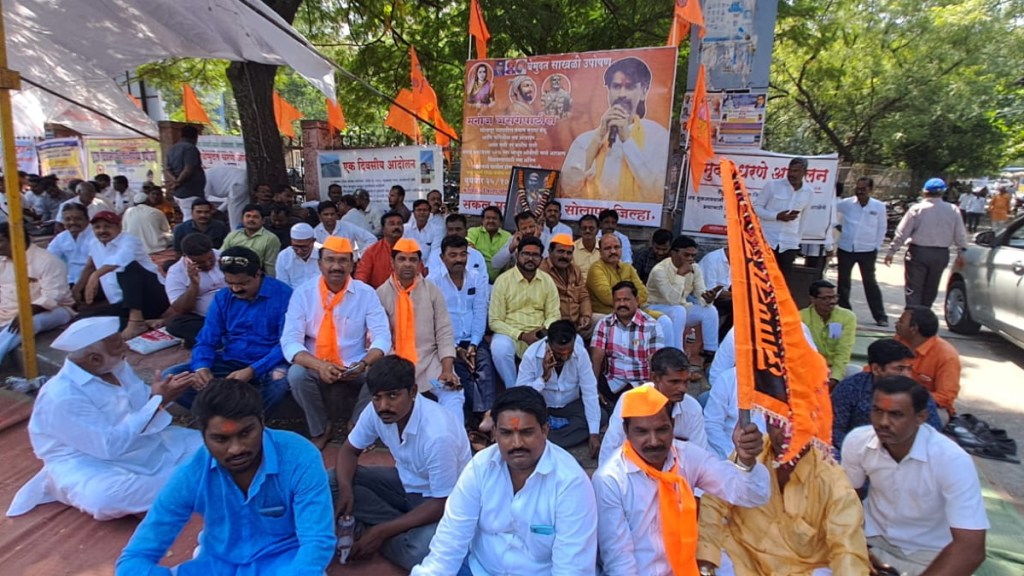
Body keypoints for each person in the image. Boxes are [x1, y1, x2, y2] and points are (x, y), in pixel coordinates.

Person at [116, 378, 335, 575]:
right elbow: (135, 557)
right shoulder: (191, 473)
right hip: (216, 565)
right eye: (221, 439)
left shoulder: (300, 457)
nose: (236, 449)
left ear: (261, 421)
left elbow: (316, 542)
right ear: (203, 435)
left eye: (245, 433)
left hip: (284, 565)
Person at [6, 317, 202, 520]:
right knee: (105, 498)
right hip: (90, 462)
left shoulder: (116, 367)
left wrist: (166, 394)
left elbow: (144, 406)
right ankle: (193, 481)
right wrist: (157, 401)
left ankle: (180, 486)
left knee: (211, 448)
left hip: (144, 444)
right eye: (118, 344)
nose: (126, 345)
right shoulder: (62, 395)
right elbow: (107, 446)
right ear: (94, 359)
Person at [410, 387, 598, 576]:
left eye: (526, 432)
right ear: (494, 433)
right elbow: (451, 539)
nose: (517, 444)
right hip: (478, 569)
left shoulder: (571, 482)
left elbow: (572, 569)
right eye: (507, 433)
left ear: (545, 430)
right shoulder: (480, 468)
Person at [594, 385, 771, 576]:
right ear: (626, 432)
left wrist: (746, 460)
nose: (654, 441)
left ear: (672, 425)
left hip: (691, 566)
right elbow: (619, 560)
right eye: (642, 432)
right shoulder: (610, 480)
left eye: (662, 430)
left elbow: (751, 495)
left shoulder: (686, 456)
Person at [334, 355, 472, 571]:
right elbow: (350, 451)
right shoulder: (375, 412)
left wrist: (381, 532)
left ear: (413, 392)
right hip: (403, 487)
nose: (383, 406)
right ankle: (390, 530)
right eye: (377, 398)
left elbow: (442, 502)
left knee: (419, 551)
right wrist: (345, 491)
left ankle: (376, 532)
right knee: (333, 481)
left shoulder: (438, 434)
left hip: (441, 504)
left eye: (393, 396)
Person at [842, 376, 988, 576]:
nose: (883, 422)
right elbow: (845, 503)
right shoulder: (857, 441)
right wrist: (853, 550)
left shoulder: (952, 460)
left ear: (921, 417)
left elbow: (971, 549)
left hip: (927, 557)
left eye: (896, 414)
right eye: (877, 411)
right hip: (869, 542)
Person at [697, 414, 870, 575]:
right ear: (766, 420)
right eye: (778, 422)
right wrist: (706, 562)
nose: (786, 432)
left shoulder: (833, 481)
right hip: (740, 557)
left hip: (800, 569)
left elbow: (848, 551)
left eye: (795, 423)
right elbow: (714, 501)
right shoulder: (753, 453)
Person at [282, 236, 391, 449]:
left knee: (384, 372)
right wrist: (319, 365)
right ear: (319, 264)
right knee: (296, 374)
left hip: (355, 364)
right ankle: (321, 429)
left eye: (343, 261)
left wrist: (364, 364)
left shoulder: (366, 293)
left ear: (352, 264)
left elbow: (382, 336)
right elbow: (290, 341)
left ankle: (358, 425)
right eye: (330, 260)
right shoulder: (303, 294)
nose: (336, 267)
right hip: (317, 364)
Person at [164, 246, 292, 415]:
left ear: (258, 274)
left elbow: (287, 344)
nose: (236, 289)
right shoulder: (223, 297)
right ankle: (224, 415)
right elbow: (207, 339)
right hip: (231, 359)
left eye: (243, 283)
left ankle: (248, 418)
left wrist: (252, 370)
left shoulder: (284, 295)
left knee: (279, 383)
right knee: (172, 378)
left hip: (269, 362)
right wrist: (202, 368)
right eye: (230, 283)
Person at [561, 57, 670, 203]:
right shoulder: (586, 140)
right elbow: (568, 187)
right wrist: (598, 137)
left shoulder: (657, 136)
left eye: (630, 87)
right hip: (593, 220)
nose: (621, 94)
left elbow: (657, 192)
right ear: (609, 91)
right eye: (616, 86)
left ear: (643, 91)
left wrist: (627, 140)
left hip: (638, 222)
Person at [376, 238, 462, 420]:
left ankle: (455, 439)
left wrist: (447, 369)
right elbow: (380, 337)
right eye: (402, 259)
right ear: (392, 262)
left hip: (431, 363)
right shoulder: (381, 294)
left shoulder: (433, 291)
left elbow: (444, 332)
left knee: (453, 394)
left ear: (419, 264)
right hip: (395, 363)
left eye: (413, 260)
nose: (407, 264)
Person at [599, 347, 709, 466]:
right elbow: (610, 448)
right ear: (655, 378)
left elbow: (699, 457)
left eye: (685, 381)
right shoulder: (630, 400)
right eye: (674, 382)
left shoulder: (692, 408)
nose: (682, 388)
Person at [831, 338, 942, 454]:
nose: (907, 375)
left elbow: (932, 433)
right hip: (855, 453)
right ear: (876, 369)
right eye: (900, 369)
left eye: (909, 369)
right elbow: (835, 431)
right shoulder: (850, 388)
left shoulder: (918, 393)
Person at [427, 234, 496, 416]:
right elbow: (433, 320)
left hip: (473, 339)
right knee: (462, 375)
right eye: (453, 255)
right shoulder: (432, 282)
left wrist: (473, 345)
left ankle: (487, 415)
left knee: (484, 369)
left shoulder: (476, 278)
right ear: (442, 258)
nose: (459, 259)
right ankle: (478, 418)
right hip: (446, 344)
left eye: (463, 254)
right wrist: (456, 348)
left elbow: (480, 312)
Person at [74, 211, 170, 338]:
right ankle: (145, 323)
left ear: (119, 227)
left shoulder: (130, 240)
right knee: (83, 319)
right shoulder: (94, 243)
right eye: (97, 227)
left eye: (107, 226)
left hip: (152, 297)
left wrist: (95, 275)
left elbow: (121, 260)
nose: (102, 230)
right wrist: (76, 290)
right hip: (124, 302)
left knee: (128, 267)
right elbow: (89, 266)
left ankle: (136, 321)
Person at [515, 319, 602, 454]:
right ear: (548, 344)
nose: (565, 356)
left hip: (570, 407)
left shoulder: (580, 353)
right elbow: (520, 397)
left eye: (569, 351)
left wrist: (594, 434)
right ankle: (550, 435)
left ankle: (542, 439)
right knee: (523, 417)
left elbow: (589, 392)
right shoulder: (532, 355)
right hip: (542, 408)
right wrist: (543, 378)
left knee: (601, 416)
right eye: (559, 353)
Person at [489, 236, 561, 388]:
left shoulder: (547, 281)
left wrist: (542, 331)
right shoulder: (503, 281)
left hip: (540, 334)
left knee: (575, 342)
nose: (530, 258)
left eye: (535, 255)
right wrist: (521, 335)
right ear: (517, 256)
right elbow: (495, 321)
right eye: (525, 254)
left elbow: (554, 315)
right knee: (499, 348)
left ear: (541, 259)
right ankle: (514, 388)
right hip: (511, 334)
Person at [885, 178, 968, 307]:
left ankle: (912, 317)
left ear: (924, 192)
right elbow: (960, 234)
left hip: (918, 253)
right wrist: (961, 252)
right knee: (931, 288)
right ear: (943, 192)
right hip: (941, 255)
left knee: (914, 288)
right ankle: (924, 315)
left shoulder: (917, 209)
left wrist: (892, 251)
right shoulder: (952, 210)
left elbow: (902, 232)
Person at [0, 222, 75, 362]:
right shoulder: (2, 261)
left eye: (0, 241)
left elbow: (53, 296)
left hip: (53, 310)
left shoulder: (47, 261)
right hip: (8, 311)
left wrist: (26, 311)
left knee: (27, 322)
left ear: (18, 238)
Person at [591, 281, 665, 403]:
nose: (622, 304)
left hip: (641, 385)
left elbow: (655, 362)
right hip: (612, 383)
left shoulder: (652, 326)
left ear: (637, 300)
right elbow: (596, 358)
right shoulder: (605, 323)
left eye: (626, 299)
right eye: (617, 300)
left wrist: (651, 394)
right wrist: (594, 391)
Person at [587, 233, 673, 337]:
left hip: (634, 311)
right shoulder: (596, 269)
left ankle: (669, 353)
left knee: (664, 321)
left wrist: (632, 304)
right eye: (608, 248)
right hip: (609, 313)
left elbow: (643, 293)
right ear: (600, 252)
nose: (613, 251)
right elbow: (608, 297)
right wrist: (634, 302)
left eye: (616, 247)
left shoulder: (627, 268)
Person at [647, 234, 720, 357]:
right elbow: (672, 300)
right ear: (673, 253)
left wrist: (708, 299)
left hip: (679, 308)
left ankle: (710, 353)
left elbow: (700, 295)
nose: (690, 259)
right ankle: (676, 353)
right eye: (686, 255)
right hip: (654, 308)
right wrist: (680, 275)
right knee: (678, 310)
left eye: (693, 255)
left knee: (710, 310)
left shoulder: (695, 268)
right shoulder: (659, 270)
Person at [835, 177, 889, 326]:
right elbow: (830, 208)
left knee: (870, 283)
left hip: (867, 250)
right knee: (843, 282)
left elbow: (881, 228)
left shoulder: (878, 206)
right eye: (857, 188)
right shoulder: (847, 204)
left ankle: (880, 316)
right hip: (846, 248)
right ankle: (846, 314)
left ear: (870, 190)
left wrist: (876, 246)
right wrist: (836, 226)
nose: (860, 192)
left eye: (863, 189)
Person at [894, 305, 961, 420]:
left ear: (913, 329)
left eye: (901, 321)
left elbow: (945, 397)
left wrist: (907, 397)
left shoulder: (946, 356)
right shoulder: (899, 339)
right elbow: (876, 367)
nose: (896, 324)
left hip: (925, 406)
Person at [752, 157, 813, 278]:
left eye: (796, 171)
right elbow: (756, 208)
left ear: (805, 172)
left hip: (789, 244)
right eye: (790, 170)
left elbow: (804, 219)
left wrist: (797, 241)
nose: (791, 174)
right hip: (768, 240)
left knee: (782, 281)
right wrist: (776, 216)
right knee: (762, 278)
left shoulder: (808, 192)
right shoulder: (773, 185)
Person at [162, 234, 226, 347]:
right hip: (206, 318)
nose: (207, 264)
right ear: (186, 257)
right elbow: (181, 309)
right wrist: (194, 285)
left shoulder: (224, 256)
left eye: (210, 259)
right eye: (200, 263)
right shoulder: (176, 272)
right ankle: (224, 339)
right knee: (175, 324)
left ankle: (213, 340)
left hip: (238, 309)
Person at [799, 279, 858, 387]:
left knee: (856, 372)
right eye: (826, 298)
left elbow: (843, 351)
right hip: (809, 368)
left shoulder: (847, 317)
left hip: (834, 368)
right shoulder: (800, 318)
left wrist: (834, 378)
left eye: (834, 297)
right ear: (813, 299)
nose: (832, 302)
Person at [538, 233, 594, 337]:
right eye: (560, 251)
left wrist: (586, 315)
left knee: (605, 322)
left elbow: (584, 296)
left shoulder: (575, 270)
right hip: (554, 325)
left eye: (569, 253)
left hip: (577, 323)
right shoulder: (541, 271)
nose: (565, 256)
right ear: (550, 252)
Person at [355, 211, 423, 288]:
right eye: (392, 224)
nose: (396, 227)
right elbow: (361, 278)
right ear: (383, 229)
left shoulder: (412, 249)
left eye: (399, 224)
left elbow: (420, 275)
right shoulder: (372, 252)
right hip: (379, 296)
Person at [221, 203, 281, 277]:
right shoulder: (233, 235)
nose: (251, 219)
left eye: (255, 217)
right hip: (230, 274)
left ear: (263, 220)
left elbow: (270, 266)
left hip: (254, 277)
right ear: (242, 219)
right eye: (248, 216)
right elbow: (221, 256)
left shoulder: (271, 239)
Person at [163, 124, 206, 220]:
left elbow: (167, 169)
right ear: (195, 137)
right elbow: (188, 169)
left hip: (179, 192)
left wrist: (175, 181)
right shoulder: (190, 148)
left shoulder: (172, 148)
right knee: (191, 218)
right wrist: (178, 182)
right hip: (190, 191)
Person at [47, 202, 95, 285]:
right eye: (67, 219)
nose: (72, 222)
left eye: (78, 219)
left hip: (93, 281)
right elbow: (49, 258)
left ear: (87, 220)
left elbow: (92, 266)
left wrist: (77, 288)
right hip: (70, 280)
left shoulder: (96, 236)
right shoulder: (62, 237)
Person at [313, 200, 377, 257]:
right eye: (326, 215)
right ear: (319, 216)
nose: (330, 217)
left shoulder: (348, 227)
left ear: (337, 215)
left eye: (332, 214)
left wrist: (361, 254)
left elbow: (372, 239)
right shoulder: (315, 232)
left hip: (348, 265)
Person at [466, 205, 512, 282]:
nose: (491, 221)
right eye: (488, 218)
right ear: (482, 220)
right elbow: (470, 250)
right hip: (476, 279)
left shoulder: (507, 236)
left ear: (500, 222)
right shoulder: (473, 232)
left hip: (500, 280)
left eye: (494, 218)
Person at [698, 245, 733, 341]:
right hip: (704, 298)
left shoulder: (736, 261)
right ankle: (720, 340)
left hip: (722, 297)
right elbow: (711, 290)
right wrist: (738, 295)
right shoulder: (713, 259)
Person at [275, 222, 321, 289]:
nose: (299, 251)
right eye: (295, 247)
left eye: (303, 247)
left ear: (313, 241)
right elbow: (283, 285)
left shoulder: (323, 253)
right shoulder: (284, 256)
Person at [203, 165, 248, 231]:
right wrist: (219, 210)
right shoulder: (209, 174)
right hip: (243, 181)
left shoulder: (203, 178)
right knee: (239, 215)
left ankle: (235, 235)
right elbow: (230, 200)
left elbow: (202, 203)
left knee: (235, 220)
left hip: (239, 183)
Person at [404, 199, 445, 263]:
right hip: (408, 264)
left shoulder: (438, 230)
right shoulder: (405, 229)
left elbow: (435, 253)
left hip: (429, 267)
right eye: (419, 210)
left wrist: (425, 268)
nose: (422, 212)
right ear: (413, 213)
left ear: (429, 213)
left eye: (425, 210)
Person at [573, 213, 602, 278]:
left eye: (591, 228)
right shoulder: (572, 248)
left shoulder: (605, 247)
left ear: (597, 230)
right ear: (580, 230)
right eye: (584, 228)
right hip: (579, 286)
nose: (587, 231)